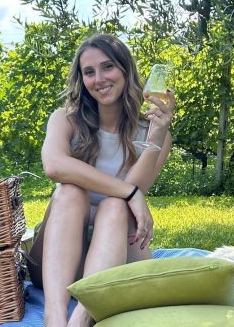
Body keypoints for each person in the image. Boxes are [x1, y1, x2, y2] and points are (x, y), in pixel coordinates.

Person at [27, 34, 175, 327]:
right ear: (81, 79)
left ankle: (82, 317)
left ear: (125, 70)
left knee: (116, 206)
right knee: (70, 192)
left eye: (108, 67)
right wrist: (130, 193)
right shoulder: (65, 119)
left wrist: (155, 137)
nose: (99, 79)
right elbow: (54, 166)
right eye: (89, 72)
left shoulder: (156, 133)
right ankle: (54, 319)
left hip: (116, 255)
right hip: (59, 262)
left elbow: (136, 190)